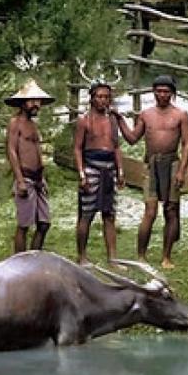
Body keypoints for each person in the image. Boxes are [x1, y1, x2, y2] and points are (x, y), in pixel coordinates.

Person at [113, 74, 188, 269]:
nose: (162, 95)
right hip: (151, 164)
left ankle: (167, 256)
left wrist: (182, 171)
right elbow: (132, 138)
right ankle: (141, 255)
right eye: (158, 91)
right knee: (150, 211)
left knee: (171, 210)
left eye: (166, 91)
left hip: (172, 163)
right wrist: (120, 119)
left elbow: (187, 144)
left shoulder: (180, 114)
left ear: (172, 94)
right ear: (153, 92)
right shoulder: (147, 115)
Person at [73, 81, 125, 266]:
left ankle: (113, 257)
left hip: (109, 169)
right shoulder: (84, 120)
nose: (103, 100)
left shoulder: (112, 120)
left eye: (106, 97)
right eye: (99, 97)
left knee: (109, 214)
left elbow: (116, 147)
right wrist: (82, 174)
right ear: (92, 99)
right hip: (91, 167)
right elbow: (78, 148)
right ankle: (82, 256)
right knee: (86, 214)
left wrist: (120, 171)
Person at [6, 79, 54, 253]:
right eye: (32, 100)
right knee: (24, 224)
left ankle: (34, 258)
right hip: (24, 177)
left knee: (44, 223)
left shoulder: (34, 125)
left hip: (38, 179)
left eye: (38, 101)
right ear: (22, 102)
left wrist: (43, 178)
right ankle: (19, 263)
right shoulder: (15, 123)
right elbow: (11, 150)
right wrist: (19, 180)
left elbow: (37, 150)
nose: (36, 104)